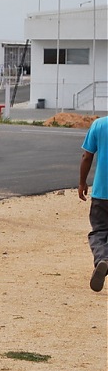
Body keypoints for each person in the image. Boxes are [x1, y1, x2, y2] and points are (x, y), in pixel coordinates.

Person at [78, 116, 108, 292]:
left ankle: (102, 258)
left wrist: (82, 183)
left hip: (101, 192)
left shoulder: (99, 124)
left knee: (99, 231)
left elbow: (87, 156)